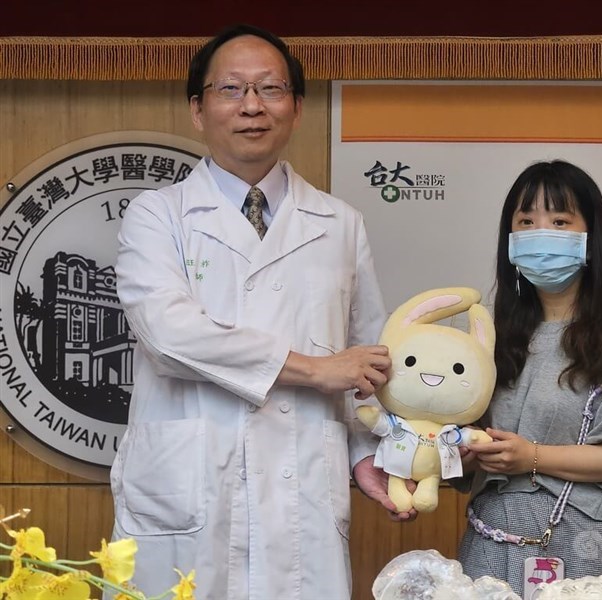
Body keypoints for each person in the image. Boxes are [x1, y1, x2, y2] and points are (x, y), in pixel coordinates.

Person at [111, 23, 410, 600]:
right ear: (198, 110)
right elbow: (169, 335)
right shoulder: (158, 215)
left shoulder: (339, 222)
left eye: (271, 89)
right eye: (231, 89)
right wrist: (314, 369)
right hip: (189, 484)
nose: (252, 106)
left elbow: (366, 362)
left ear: (297, 108)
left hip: (303, 486)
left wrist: (365, 456)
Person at [456, 160, 602, 596]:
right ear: (510, 240)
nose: (542, 233)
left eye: (559, 220)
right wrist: (461, 454)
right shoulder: (490, 338)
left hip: (582, 543)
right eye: (526, 221)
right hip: (488, 539)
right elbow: (464, 445)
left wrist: (531, 456)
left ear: (588, 237)